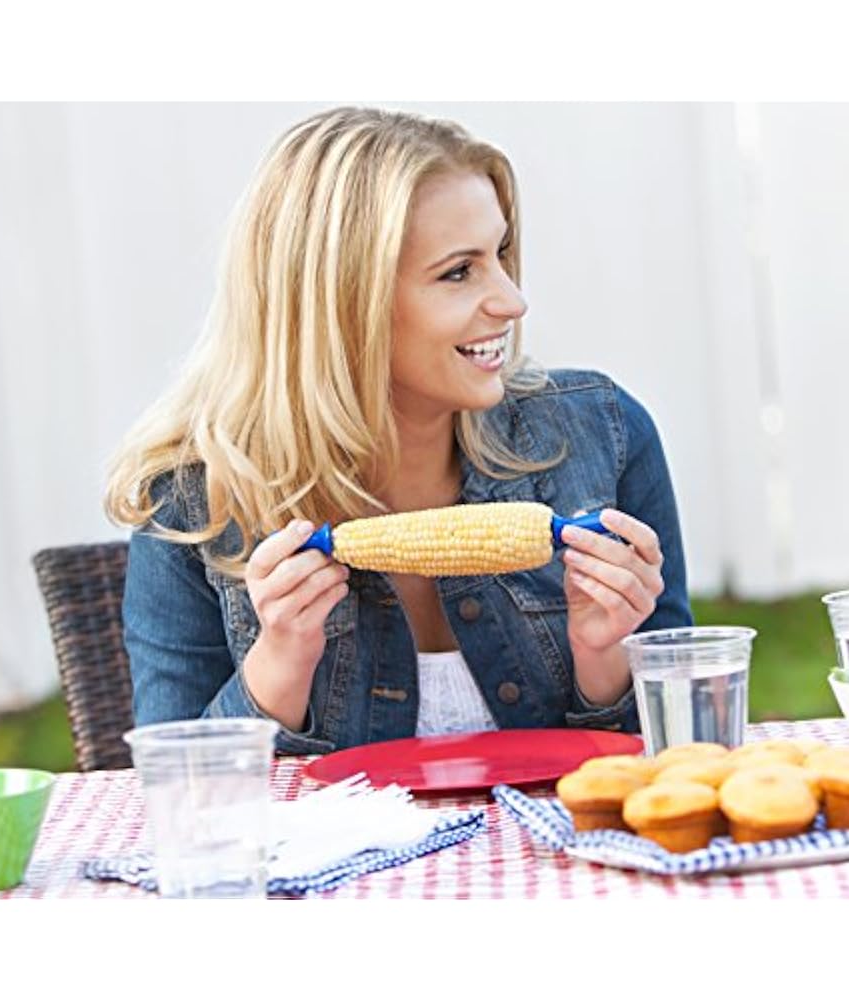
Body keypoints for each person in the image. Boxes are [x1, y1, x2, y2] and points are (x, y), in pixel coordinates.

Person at [105, 106, 693, 755]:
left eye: (500, 254)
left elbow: (684, 755)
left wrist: (604, 662)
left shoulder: (603, 434)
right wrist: (279, 665)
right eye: (458, 272)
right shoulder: (194, 501)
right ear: (343, 305)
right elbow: (176, 784)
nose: (513, 301)